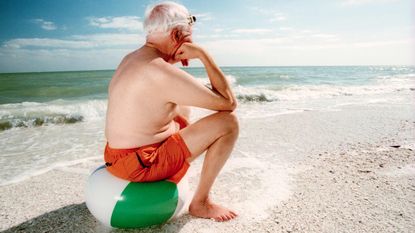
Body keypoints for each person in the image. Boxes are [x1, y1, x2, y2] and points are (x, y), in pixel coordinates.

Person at [104, 1, 238, 222]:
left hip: (115, 156)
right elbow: (228, 102)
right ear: (176, 34)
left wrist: (171, 59)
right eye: (189, 36)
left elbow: (153, 97)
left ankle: (181, 166)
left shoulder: (131, 58)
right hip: (142, 165)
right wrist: (203, 55)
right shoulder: (161, 72)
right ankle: (201, 203)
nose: (191, 42)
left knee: (180, 107)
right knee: (228, 123)